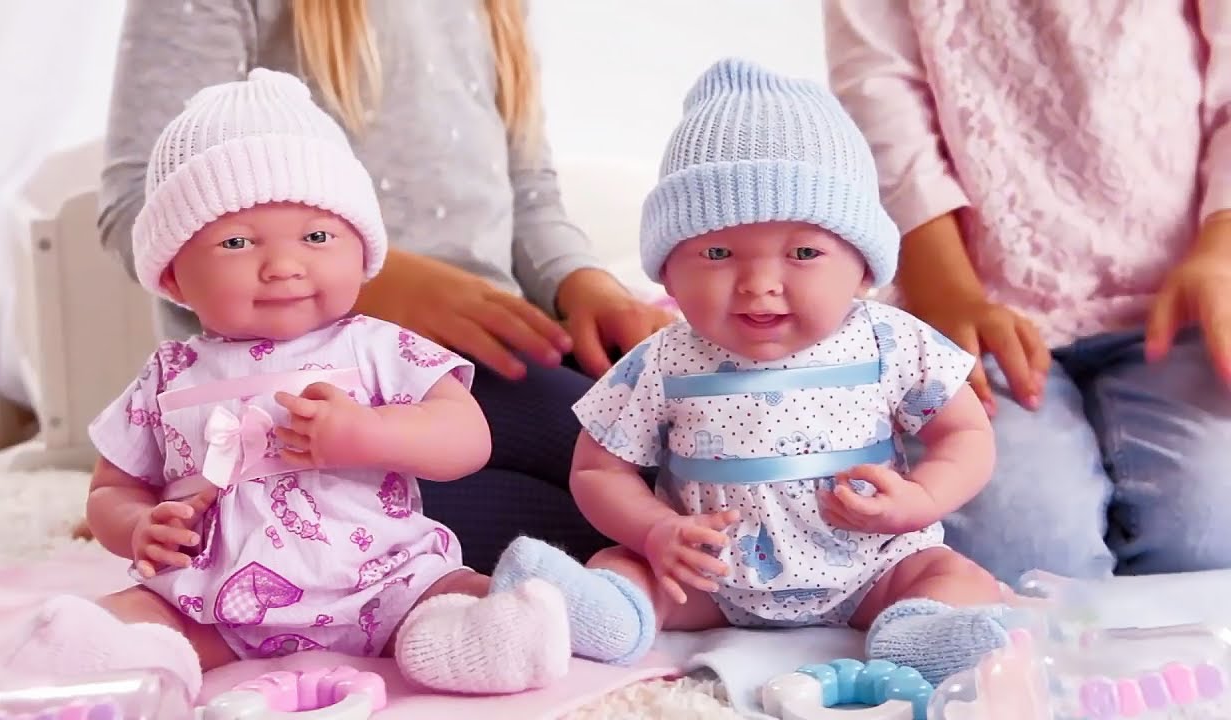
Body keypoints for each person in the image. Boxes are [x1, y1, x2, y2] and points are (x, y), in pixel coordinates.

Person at [7, 69, 571, 699]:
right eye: (237, 242)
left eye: (317, 236)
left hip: (385, 582)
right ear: (172, 279)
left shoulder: (376, 344)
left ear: (363, 253)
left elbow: (467, 437)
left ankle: (475, 636)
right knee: (143, 612)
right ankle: (124, 655)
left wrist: (373, 432)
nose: (282, 266)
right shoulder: (168, 373)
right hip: (216, 602)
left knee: (453, 592)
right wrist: (138, 525)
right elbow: (112, 487)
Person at [488, 59, 1013, 687]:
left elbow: (967, 434)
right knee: (624, 565)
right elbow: (600, 469)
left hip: (873, 565)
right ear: (666, 269)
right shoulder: (661, 359)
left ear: (865, 267)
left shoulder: (890, 341)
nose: (759, 284)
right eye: (716, 253)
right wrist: (657, 532)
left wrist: (922, 500)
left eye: (804, 253)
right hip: (710, 575)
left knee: (950, 574)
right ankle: (602, 612)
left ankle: (917, 631)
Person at [95, 0, 672, 569]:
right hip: (303, 378)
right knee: (320, 524)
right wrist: (373, 276)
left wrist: (582, 284)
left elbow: (531, 197)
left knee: (650, 466)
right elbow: (138, 208)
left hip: (483, 353)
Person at [823, 1, 1231, 583]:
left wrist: (1221, 247)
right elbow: (880, 104)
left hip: (1178, 307)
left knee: (1213, 533)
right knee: (1021, 554)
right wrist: (947, 294)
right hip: (977, 315)